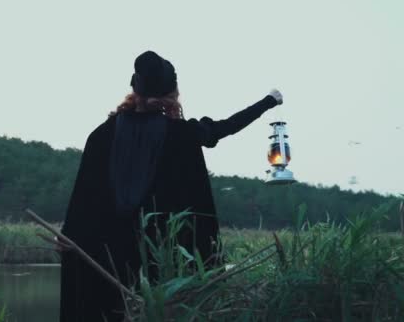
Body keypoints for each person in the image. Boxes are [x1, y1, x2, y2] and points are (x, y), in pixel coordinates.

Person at [57, 51, 283, 322]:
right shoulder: (182, 135)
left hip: (109, 255)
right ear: (172, 93)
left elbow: (83, 197)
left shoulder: (101, 135)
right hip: (163, 257)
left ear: (135, 90)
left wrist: (69, 234)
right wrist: (269, 101)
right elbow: (227, 126)